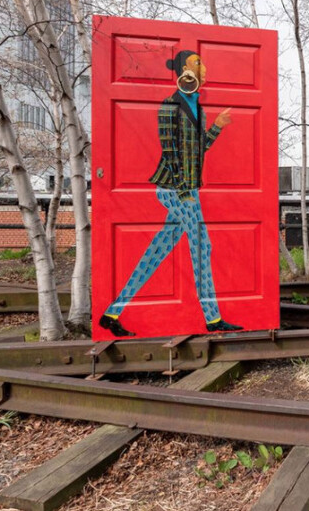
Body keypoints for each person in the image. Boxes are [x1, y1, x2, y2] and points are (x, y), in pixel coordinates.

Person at [98, 50, 242, 337]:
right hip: (174, 189)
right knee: (202, 247)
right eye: (197, 62)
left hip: (188, 188)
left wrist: (216, 127)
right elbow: (170, 152)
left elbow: (200, 150)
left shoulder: (197, 107)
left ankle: (112, 312)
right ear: (183, 71)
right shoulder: (169, 107)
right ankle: (213, 320)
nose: (204, 67)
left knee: (158, 251)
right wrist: (183, 190)